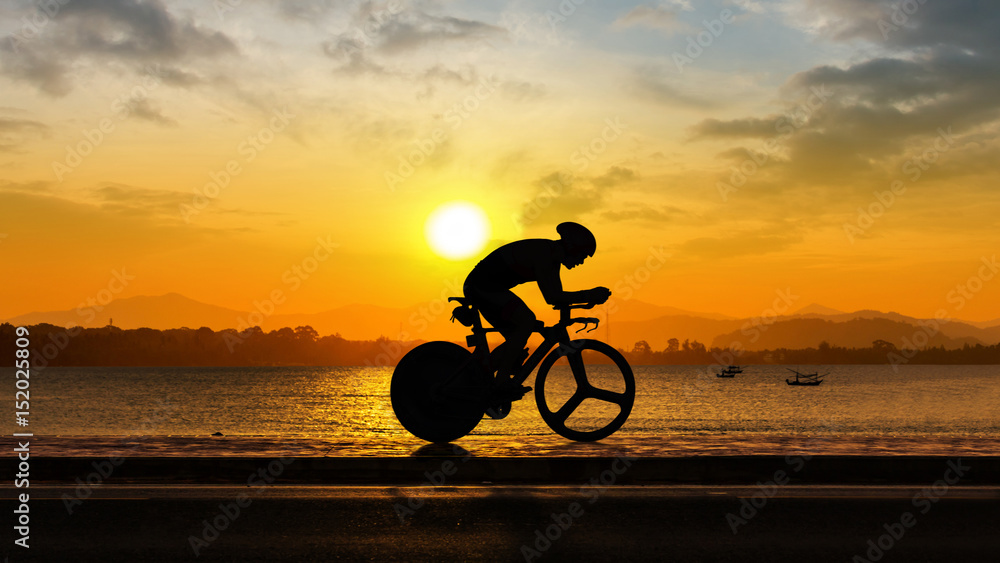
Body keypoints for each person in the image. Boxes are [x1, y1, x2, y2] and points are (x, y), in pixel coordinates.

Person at [463, 222, 611, 405]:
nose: (581, 262)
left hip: (483, 286)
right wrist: (588, 295)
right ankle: (500, 382)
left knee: (517, 342)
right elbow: (553, 297)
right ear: (572, 248)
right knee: (526, 322)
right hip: (483, 286)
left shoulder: (552, 258)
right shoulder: (545, 255)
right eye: (582, 256)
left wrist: (587, 298)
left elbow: (557, 297)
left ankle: (480, 379)